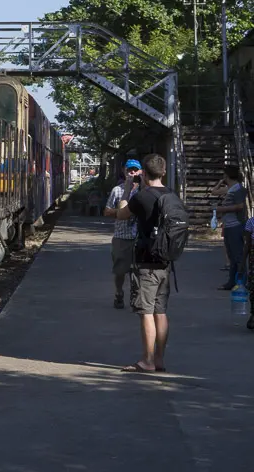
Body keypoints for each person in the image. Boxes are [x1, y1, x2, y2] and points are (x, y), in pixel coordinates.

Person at [115, 154, 172, 373]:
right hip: (166, 261)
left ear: (144, 174)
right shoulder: (171, 195)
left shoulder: (142, 197)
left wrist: (129, 188)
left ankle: (147, 360)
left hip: (146, 261)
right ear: (164, 172)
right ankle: (159, 359)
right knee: (161, 311)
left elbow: (121, 214)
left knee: (146, 312)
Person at [104, 159, 142, 309]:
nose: (132, 173)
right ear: (123, 171)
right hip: (122, 236)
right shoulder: (117, 190)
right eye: (129, 170)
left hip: (139, 237)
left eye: (135, 170)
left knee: (138, 271)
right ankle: (119, 292)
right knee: (120, 270)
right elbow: (107, 211)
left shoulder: (144, 191)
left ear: (140, 172)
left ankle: (136, 295)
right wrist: (122, 213)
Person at [211, 166, 248, 290]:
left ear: (227, 175)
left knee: (237, 256)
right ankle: (232, 282)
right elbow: (214, 192)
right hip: (228, 225)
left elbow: (240, 206)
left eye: (224, 175)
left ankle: (243, 282)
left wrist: (222, 209)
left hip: (235, 226)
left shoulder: (238, 189)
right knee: (232, 256)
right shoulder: (230, 189)